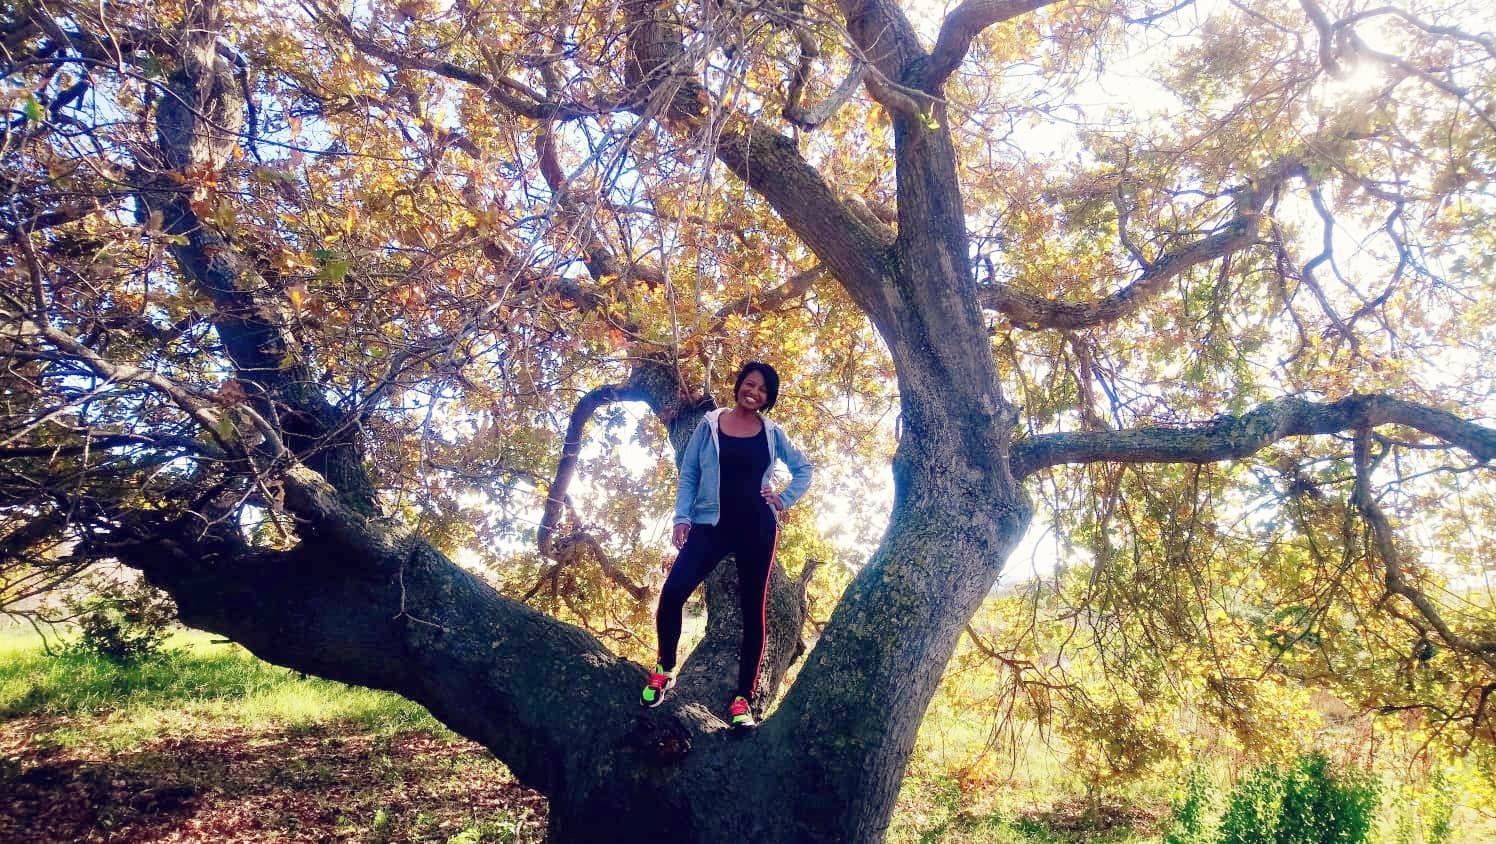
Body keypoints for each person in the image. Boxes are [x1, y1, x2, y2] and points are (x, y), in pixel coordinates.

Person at [640, 361, 813, 728]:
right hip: (710, 526)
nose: (755, 392)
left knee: (754, 614)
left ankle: (742, 701)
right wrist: (682, 517)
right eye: (750, 384)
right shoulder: (709, 424)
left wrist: (783, 499)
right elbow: (689, 473)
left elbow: (804, 469)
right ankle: (665, 669)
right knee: (672, 594)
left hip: (757, 528)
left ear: (769, 398)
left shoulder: (772, 433)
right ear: (739, 385)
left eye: (763, 389)